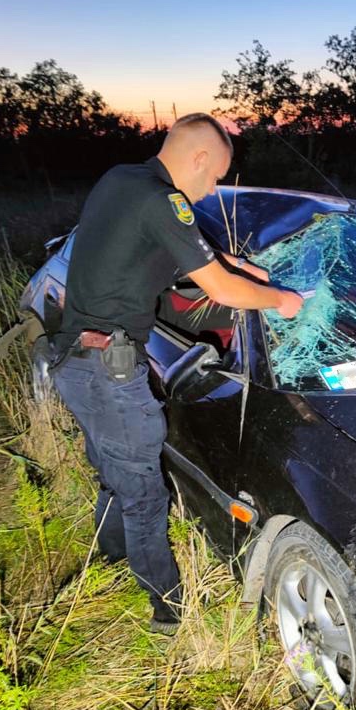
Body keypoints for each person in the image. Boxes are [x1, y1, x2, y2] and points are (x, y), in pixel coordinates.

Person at [50, 113, 303, 634]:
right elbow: (225, 293)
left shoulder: (121, 180)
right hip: (110, 372)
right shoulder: (165, 201)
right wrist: (281, 299)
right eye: (213, 179)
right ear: (200, 158)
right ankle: (169, 615)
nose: (210, 193)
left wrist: (243, 267)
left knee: (113, 471)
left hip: (75, 363)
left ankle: (110, 559)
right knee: (145, 495)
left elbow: (168, 258)